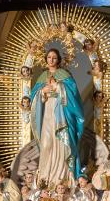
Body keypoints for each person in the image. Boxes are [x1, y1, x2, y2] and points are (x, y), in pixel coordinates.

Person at [30, 48, 84, 184]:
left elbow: (74, 95)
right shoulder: (42, 77)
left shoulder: (64, 74)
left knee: (61, 143)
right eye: (49, 57)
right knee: (46, 144)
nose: (51, 60)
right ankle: (45, 179)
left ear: (58, 60)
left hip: (61, 113)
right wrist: (42, 91)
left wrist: (58, 86)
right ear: (46, 59)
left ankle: (62, 178)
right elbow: (33, 98)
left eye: (54, 57)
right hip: (47, 112)